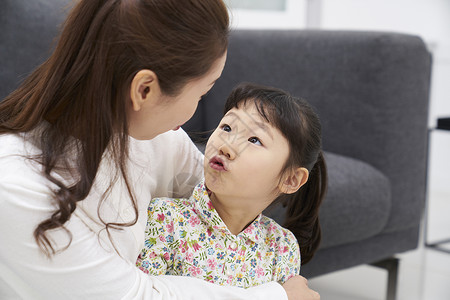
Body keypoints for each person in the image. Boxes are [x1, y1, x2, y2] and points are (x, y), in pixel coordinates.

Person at [0, 0, 320, 299]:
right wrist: (277, 295)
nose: (225, 143)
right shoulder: (17, 188)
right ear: (145, 90)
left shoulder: (152, 136)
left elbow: (222, 195)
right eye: (202, 93)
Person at [136, 83, 327, 288]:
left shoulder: (282, 247)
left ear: (290, 180)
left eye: (254, 140)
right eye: (227, 128)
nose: (226, 146)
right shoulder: (165, 219)